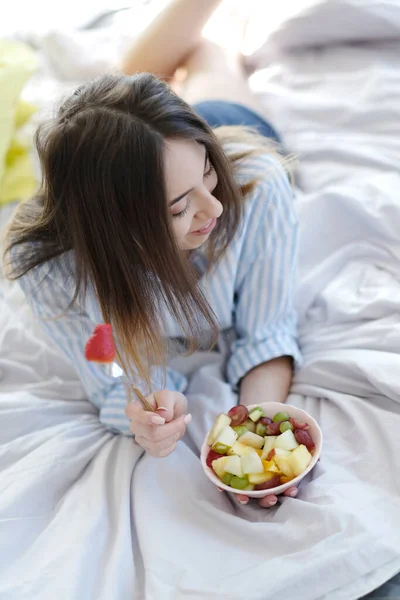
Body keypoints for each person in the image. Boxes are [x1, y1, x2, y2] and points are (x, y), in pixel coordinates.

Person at [4, 0, 301, 508]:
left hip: (215, 132)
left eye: (205, 176)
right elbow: (110, 381)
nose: (213, 210)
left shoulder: (248, 186)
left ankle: (197, 84)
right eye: (179, 210)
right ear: (118, 230)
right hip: (134, 172)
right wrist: (148, 414)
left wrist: (263, 438)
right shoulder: (51, 268)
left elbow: (268, 334)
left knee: (208, 63)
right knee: (105, 126)